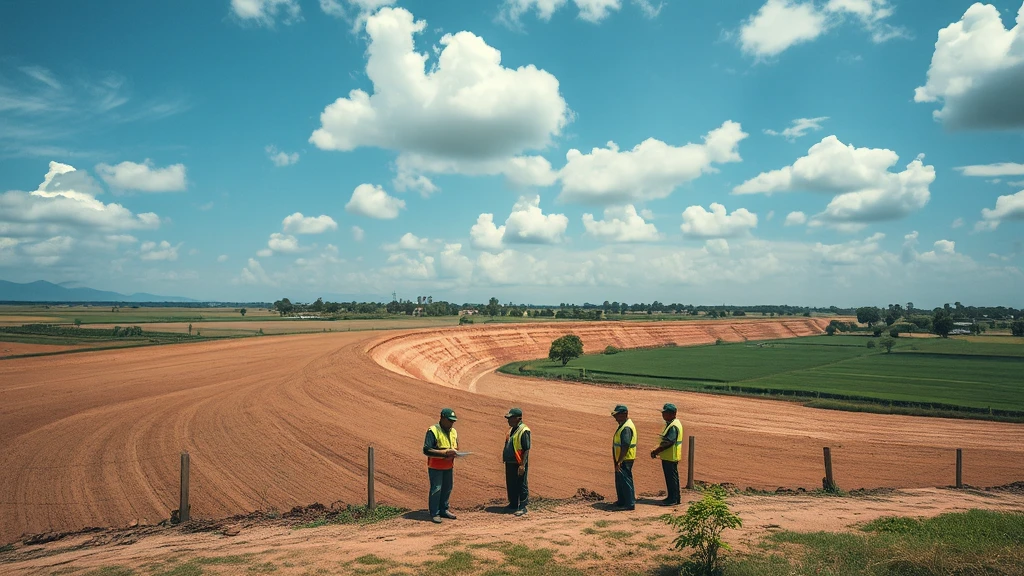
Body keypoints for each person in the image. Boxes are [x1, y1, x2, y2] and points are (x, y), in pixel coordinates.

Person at [423, 408, 459, 524]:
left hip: (449, 466)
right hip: (436, 466)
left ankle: (444, 509)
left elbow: (456, 446)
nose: (451, 423)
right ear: (442, 418)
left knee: (447, 488)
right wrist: (444, 454)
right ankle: (435, 513)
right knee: (436, 489)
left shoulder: (453, 431)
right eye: (449, 421)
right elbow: (427, 450)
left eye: (453, 421)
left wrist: (454, 453)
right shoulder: (433, 430)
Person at [650, 403, 683, 506]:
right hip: (670, 456)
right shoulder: (672, 424)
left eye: (665, 413)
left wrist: (657, 451)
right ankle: (673, 498)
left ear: (672, 414)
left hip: (670, 456)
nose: (663, 415)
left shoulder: (673, 426)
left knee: (671, 479)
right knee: (672, 478)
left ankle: (673, 499)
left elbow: (669, 442)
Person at [502, 407, 531, 516]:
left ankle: (523, 507)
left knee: (521, 484)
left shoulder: (524, 430)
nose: (508, 420)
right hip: (510, 462)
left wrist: (522, 465)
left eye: (510, 418)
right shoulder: (511, 429)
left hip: (519, 462)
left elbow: (526, 448)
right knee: (511, 484)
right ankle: (513, 504)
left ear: (518, 419)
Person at [610, 404, 636, 511]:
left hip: (625, 459)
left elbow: (625, 446)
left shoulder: (626, 428)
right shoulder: (623, 425)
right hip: (622, 459)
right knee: (620, 481)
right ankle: (622, 501)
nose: (615, 417)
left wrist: (620, 461)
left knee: (625, 481)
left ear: (625, 414)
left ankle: (629, 503)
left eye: (617, 415)